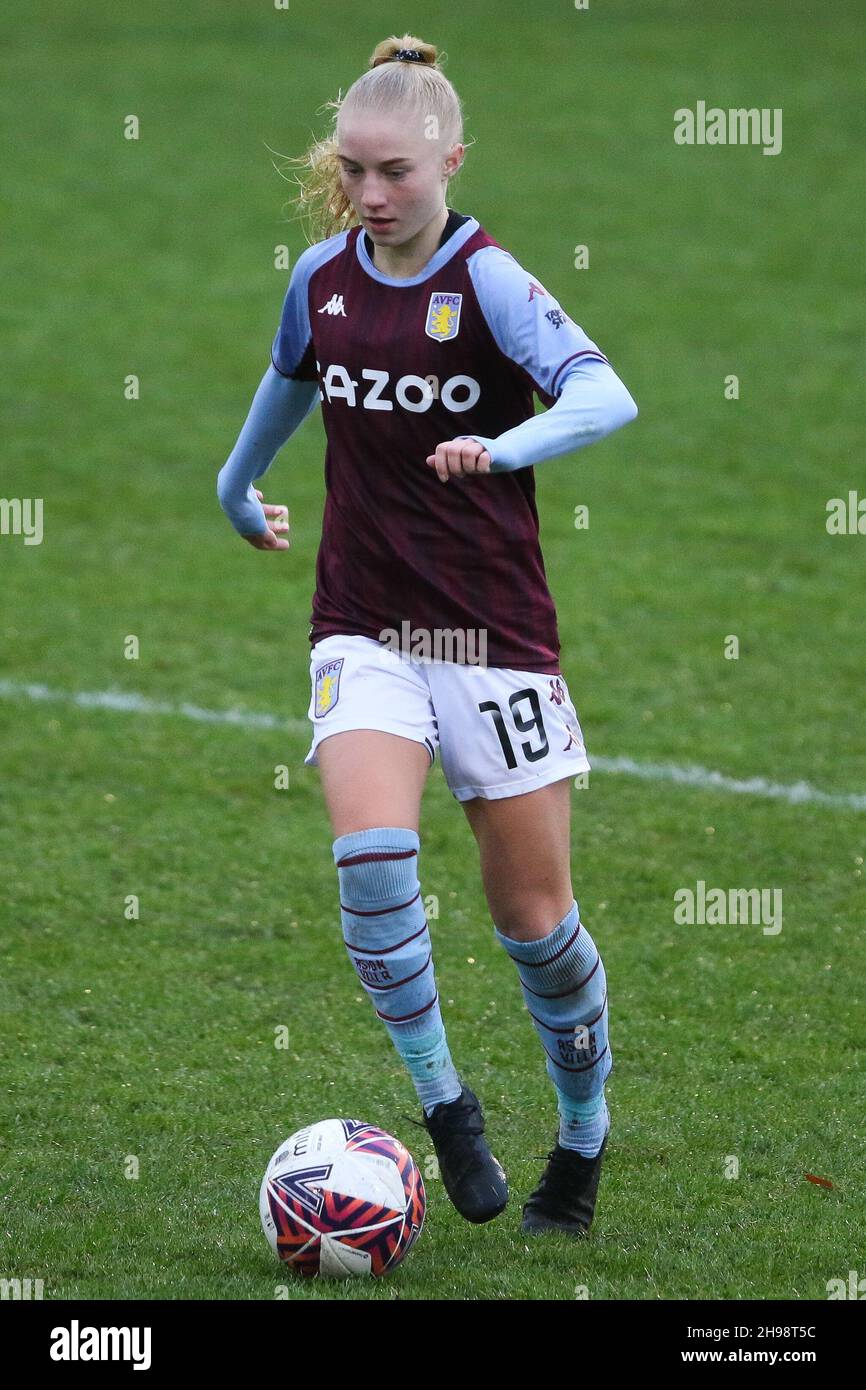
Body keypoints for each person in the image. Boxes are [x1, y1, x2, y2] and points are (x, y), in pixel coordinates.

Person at [218, 34, 638, 1236]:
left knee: (536, 929)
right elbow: (294, 372)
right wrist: (236, 484)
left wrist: (504, 445)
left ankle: (580, 1135)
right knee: (371, 861)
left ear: (450, 158)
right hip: (364, 623)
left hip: (491, 636)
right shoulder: (321, 275)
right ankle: (445, 1104)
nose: (369, 194)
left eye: (393, 170)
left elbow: (604, 392)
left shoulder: (488, 279)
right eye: (351, 170)